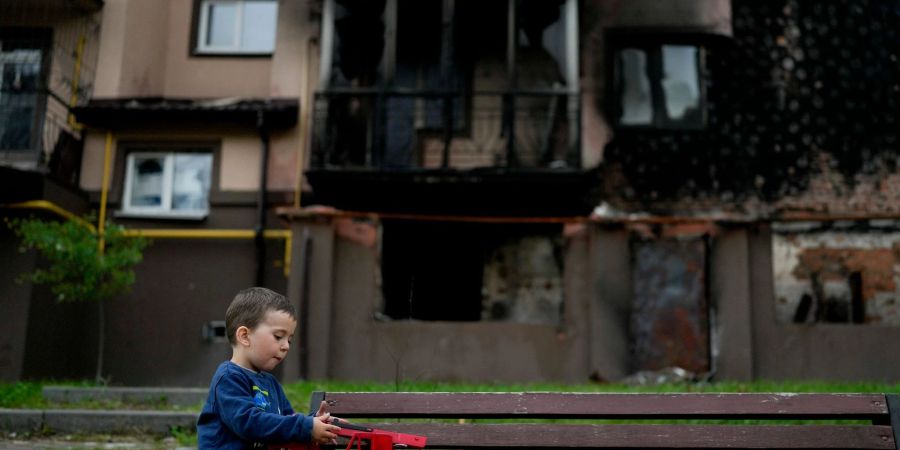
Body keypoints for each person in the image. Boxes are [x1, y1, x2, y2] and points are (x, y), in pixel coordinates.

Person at [197, 287, 341, 449]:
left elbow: (286, 421)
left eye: (289, 340)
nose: (286, 346)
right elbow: (249, 424)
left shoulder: (270, 383)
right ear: (245, 336)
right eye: (278, 336)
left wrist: (316, 422)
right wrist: (305, 426)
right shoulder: (229, 377)